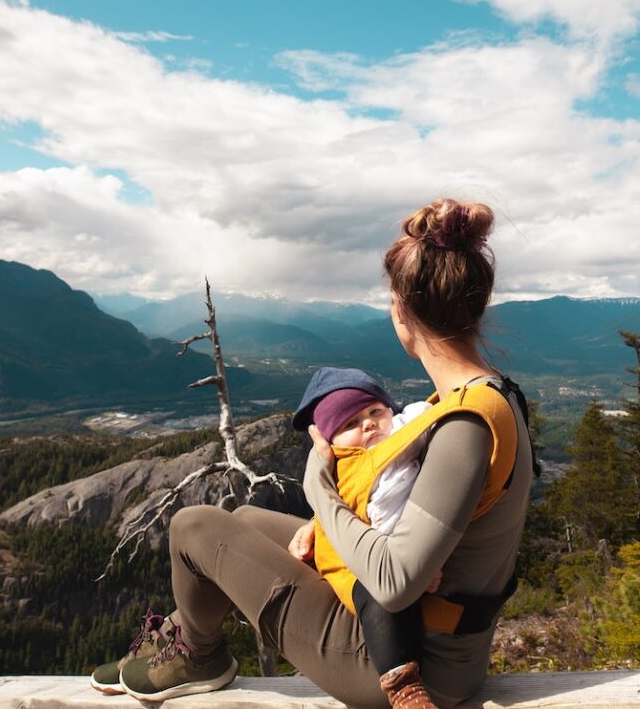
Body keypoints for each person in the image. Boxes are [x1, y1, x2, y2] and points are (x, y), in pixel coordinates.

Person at [89, 198, 534, 709]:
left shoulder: (464, 426)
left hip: (408, 665)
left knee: (194, 526)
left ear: (400, 309)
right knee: (248, 520)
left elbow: (392, 583)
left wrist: (319, 487)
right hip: (432, 640)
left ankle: (200, 654)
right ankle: (183, 639)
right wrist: (329, 527)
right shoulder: (488, 396)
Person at [287, 367, 438, 708]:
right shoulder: (353, 466)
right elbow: (371, 512)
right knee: (381, 599)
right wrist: (421, 566)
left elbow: (424, 414)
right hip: (353, 562)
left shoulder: (398, 436)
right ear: (331, 441)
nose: (368, 424)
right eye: (350, 424)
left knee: (397, 595)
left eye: (375, 412)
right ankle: (403, 686)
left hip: (390, 549)